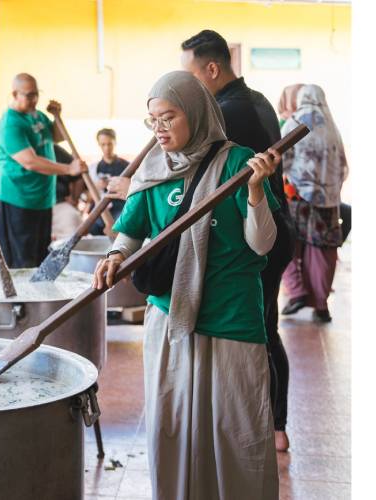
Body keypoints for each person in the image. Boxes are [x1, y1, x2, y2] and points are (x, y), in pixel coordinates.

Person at [92, 71, 281, 500]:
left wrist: (254, 191)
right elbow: (130, 231)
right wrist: (116, 255)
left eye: (168, 117)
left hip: (231, 318)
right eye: (152, 120)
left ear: (195, 114)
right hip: (171, 318)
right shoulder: (153, 169)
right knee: (173, 428)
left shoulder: (237, 163)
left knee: (235, 433)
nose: (159, 129)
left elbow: (261, 243)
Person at [181, 28, 294, 452]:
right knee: (266, 325)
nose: (189, 88)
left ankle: (271, 426)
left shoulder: (229, 112)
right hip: (275, 226)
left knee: (258, 330)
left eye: (191, 77)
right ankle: (276, 423)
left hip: (262, 228)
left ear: (212, 69)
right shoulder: (255, 98)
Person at [0, 73, 86, 268]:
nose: (34, 100)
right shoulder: (10, 123)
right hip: (17, 198)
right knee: (20, 258)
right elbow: (30, 162)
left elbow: (56, 136)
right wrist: (69, 168)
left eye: (36, 94)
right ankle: (19, 299)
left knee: (39, 254)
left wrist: (57, 117)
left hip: (42, 199)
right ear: (14, 94)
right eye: (28, 95)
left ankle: (36, 297)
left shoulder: (38, 115)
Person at [280, 84, 348, 324]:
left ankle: (297, 293)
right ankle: (321, 304)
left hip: (297, 197)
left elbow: (282, 161)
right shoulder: (332, 128)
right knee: (323, 251)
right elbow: (342, 166)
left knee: (289, 245)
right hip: (328, 201)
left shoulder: (293, 123)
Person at [88, 128, 129, 221]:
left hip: (121, 209)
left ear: (115, 143)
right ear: (99, 145)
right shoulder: (93, 169)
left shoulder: (128, 166)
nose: (106, 148)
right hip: (99, 209)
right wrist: (96, 187)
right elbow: (87, 198)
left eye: (109, 144)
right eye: (103, 144)